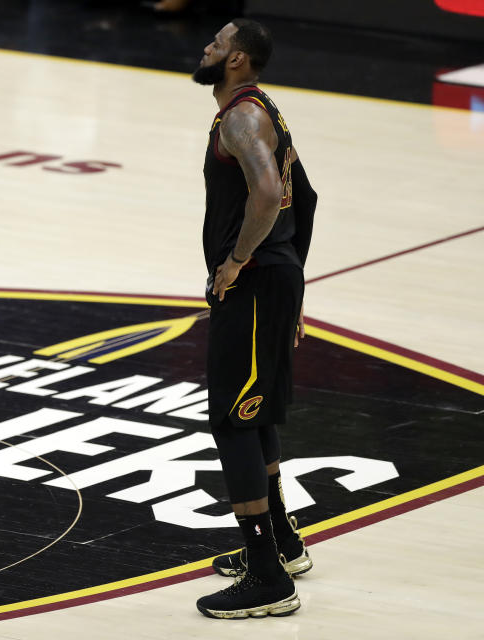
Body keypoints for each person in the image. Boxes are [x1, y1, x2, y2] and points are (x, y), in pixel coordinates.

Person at [190, 18, 318, 619]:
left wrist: (238, 262)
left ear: (237, 60)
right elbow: (307, 198)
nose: (206, 48)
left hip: (256, 280)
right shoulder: (268, 110)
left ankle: (267, 577)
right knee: (256, 409)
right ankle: (285, 545)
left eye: (216, 44)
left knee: (232, 421)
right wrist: (293, 275)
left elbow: (270, 194)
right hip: (277, 276)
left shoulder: (241, 117)